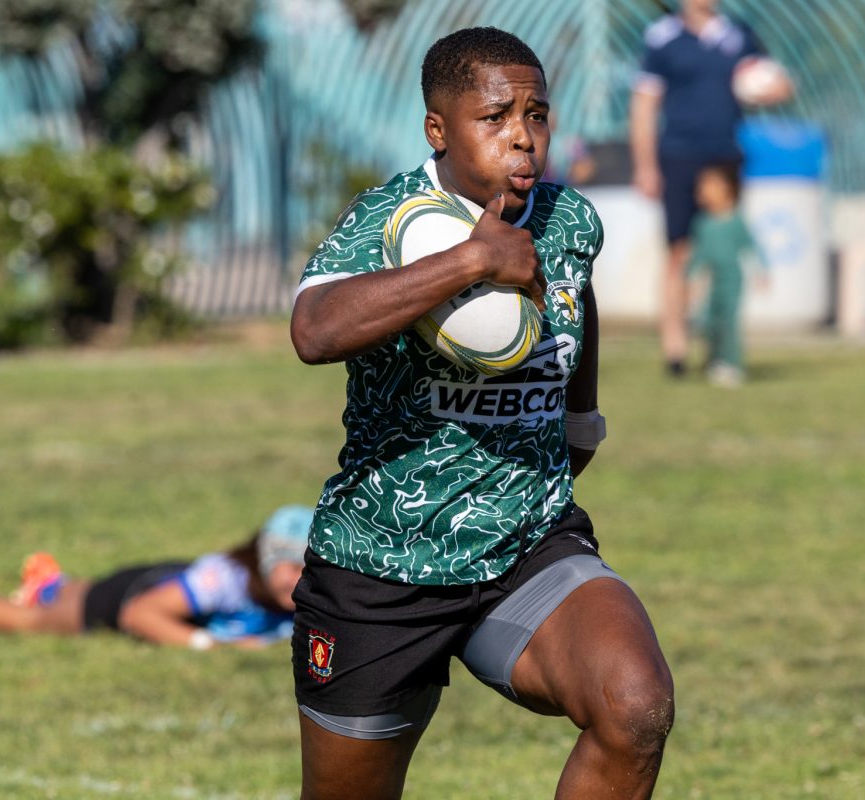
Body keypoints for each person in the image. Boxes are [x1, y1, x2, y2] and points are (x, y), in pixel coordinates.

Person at [289, 27, 673, 800]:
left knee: (634, 706)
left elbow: (576, 298)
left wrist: (581, 420)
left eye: (537, 115)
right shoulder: (387, 218)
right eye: (495, 117)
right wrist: (472, 259)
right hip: (382, 565)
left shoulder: (567, 218)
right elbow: (313, 331)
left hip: (528, 544)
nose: (523, 137)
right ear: (438, 128)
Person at [629, 0, 791, 377]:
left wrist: (771, 89)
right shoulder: (662, 37)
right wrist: (645, 166)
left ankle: (721, 348)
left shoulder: (739, 34)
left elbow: (780, 82)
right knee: (679, 252)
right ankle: (675, 350)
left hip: (725, 155)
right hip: (679, 155)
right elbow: (644, 105)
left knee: (723, 252)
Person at [0, 505, 313, 649]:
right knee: (35, 621)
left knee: (69, 596)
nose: (298, 581)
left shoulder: (309, 596)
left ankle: (49, 585)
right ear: (264, 560)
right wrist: (209, 644)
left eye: (307, 570)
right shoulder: (224, 580)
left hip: (153, 580)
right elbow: (138, 615)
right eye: (290, 567)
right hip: (129, 596)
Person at [687, 161, 767, 386]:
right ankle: (715, 361)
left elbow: (751, 248)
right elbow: (699, 254)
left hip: (732, 279)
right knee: (708, 322)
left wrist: (761, 272)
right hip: (712, 280)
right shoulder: (702, 223)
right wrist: (690, 277)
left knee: (729, 323)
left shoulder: (736, 220)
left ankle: (733, 364)